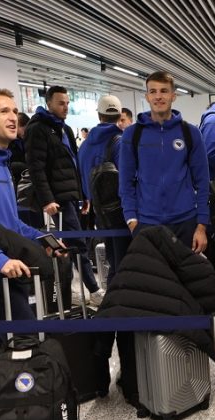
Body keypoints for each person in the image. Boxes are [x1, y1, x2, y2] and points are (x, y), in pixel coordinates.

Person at [0, 88, 97, 420]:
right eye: (2, 111)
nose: (12, 116)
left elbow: (12, 224)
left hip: (8, 272)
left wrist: (45, 240)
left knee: (17, 350)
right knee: (29, 346)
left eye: (14, 110)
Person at [25, 85, 103, 307]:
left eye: (68, 103)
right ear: (49, 103)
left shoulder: (65, 129)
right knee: (76, 243)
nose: (65, 107)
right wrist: (47, 199)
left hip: (70, 196)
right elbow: (36, 167)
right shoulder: (37, 129)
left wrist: (83, 194)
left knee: (73, 244)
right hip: (56, 199)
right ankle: (93, 288)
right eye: (61, 103)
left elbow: (74, 164)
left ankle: (75, 289)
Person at [118, 71, 210, 252]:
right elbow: (125, 182)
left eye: (164, 91)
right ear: (146, 96)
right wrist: (131, 220)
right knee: (153, 280)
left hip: (185, 222)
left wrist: (201, 226)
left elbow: (203, 182)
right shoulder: (132, 134)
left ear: (173, 96)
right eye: (153, 91)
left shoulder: (190, 133)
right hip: (146, 223)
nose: (158, 96)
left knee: (186, 279)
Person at [78, 94, 130, 284]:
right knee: (126, 263)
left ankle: (114, 302)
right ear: (119, 115)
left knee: (114, 260)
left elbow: (82, 180)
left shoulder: (84, 146)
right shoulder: (121, 142)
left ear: (99, 115)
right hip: (122, 212)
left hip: (100, 212)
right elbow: (128, 179)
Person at [7, 112, 30, 190]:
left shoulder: (26, 140)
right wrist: (25, 167)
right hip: (15, 182)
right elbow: (8, 164)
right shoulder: (8, 142)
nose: (25, 131)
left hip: (27, 181)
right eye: (22, 127)